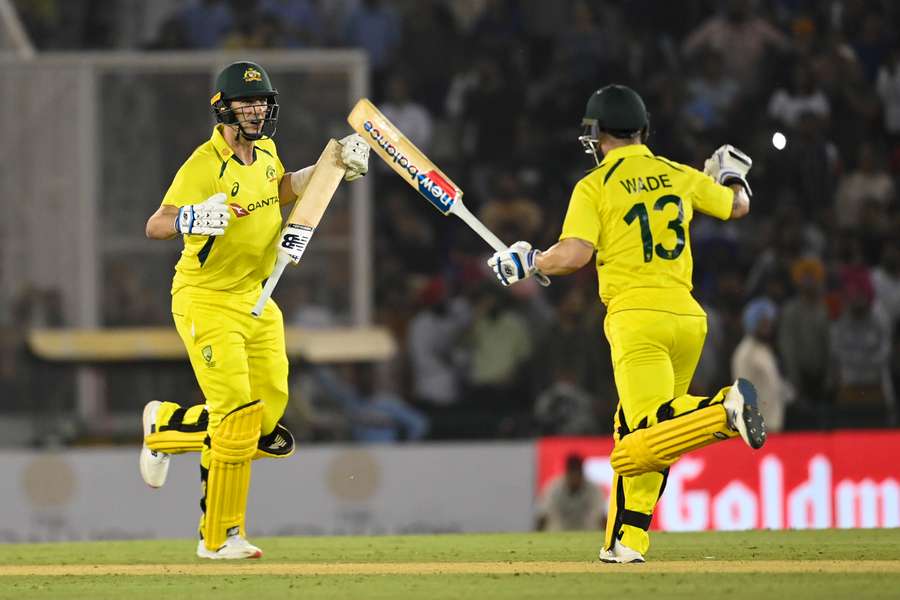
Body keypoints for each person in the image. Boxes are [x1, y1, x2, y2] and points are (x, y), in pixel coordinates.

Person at [488, 84, 766, 563]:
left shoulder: (594, 186)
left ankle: (724, 409)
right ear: (643, 130)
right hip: (688, 316)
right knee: (644, 427)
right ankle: (627, 540)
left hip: (637, 319)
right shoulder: (676, 173)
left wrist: (530, 260)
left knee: (634, 448)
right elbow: (737, 206)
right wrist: (733, 178)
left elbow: (573, 255)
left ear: (596, 134)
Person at [139, 61, 369, 559]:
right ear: (222, 108)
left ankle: (166, 427)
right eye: (247, 102)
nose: (257, 109)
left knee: (266, 424)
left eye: (263, 101)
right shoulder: (204, 164)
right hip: (207, 299)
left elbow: (279, 189)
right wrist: (193, 216)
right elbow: (157, 224)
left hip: (257, 297)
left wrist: (330, 170)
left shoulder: (264, 150)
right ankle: (220, 538)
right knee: (236, 416)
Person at [732, 298, 791, 433]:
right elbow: (742, 392)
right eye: (763, 323)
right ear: (752, 322)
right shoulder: (744, 353)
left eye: (769, 323)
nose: (767, 328)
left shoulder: (765, 350)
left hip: (774, 423)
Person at [535, 453, 606, 531]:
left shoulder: (594, 490)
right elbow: (543, 517)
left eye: (577, 472)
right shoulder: (554, 488)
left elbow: (602, 518)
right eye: (572, 471)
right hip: (557, 536)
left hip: (587, 536)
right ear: (567, 472)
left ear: (581, 472)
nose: (574, 476)